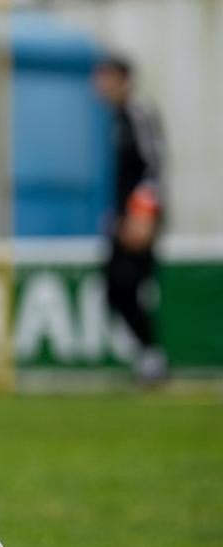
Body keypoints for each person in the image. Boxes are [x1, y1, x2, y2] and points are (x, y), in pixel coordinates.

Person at [94, 55, 168, 384]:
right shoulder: (117, 118)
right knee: (116, 288)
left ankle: (152, 359)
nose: (99, 85)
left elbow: (153, 167)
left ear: (124, 79)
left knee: (127, 285)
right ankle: (148, 357)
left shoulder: (139, 113)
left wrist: (142, 216)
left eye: (106, 78)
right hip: (124, 219)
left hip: (140, 219)